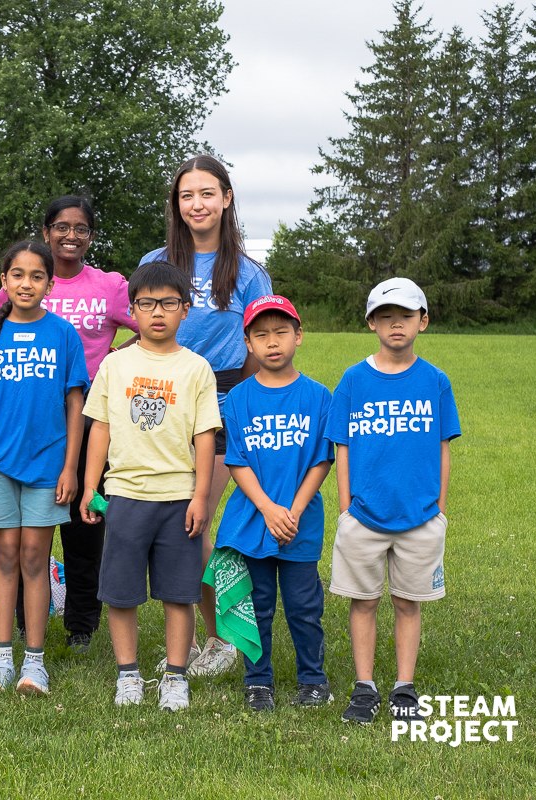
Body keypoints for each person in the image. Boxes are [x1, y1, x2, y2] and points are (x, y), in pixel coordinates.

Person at [139, 154, 273, 678]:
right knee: (173, 524)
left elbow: (264, 347)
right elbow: (144, 331)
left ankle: (221, 640)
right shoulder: (157, 259)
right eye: (186, 195)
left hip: (221, 406)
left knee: (193, 524)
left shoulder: (247, 272)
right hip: (158, 403)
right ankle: (190, 638)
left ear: (226, 199)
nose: (197, 204)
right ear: (177, 203)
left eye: (207, 193)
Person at [0, 196, 137, 653]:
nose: (70, 235)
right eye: (61, 227)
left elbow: (152, 322)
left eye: (81, 228)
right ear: (47, 231)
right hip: (29, 416)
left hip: (89, 416)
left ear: (91, 236)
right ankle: (19, 621)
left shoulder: (109, 284)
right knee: (23, 533)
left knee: (83, 524)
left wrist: (119, 356)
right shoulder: (28, 275)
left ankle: (81, 624)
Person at [80, 260, 221, 711]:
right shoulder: (115, 365)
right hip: (125, 495)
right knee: (121, 592)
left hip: (178, 498)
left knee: (179, 592)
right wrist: (89, 487)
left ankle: (176, 676)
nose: (157, 312)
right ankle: (129, 674)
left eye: (168, 303)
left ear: (186, 309)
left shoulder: (197, 368)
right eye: (146, 303)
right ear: (133, 310)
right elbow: (98, 428)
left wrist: (200, 495)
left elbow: (205, 437)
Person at [0, 240, 88, 694]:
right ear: (4, 281)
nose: (26, 283)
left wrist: (71, 466)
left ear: (50, 284)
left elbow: (75, 402)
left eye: (36, 276)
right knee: (5, 555)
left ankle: (35, 662)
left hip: (49, 467)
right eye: (18, 275)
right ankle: (1, 659)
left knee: (35, 557)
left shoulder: (63, 334)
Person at [328, 278, 460, 725]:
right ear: (371, 324)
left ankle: (405, 686)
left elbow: (443, 444)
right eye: (386, 316)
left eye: (405, 316)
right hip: (363, 515)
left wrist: (439, 506)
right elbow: (341, 445)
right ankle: (364, 687)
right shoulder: (353, 379)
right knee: (363, 602)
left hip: (420, 516)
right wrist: (346, 506)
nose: (396, 324)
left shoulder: (435, 381)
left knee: (408, 602)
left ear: (423, 321)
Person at [216, 295, 334, 712]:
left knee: (305, 606)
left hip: (301, 520)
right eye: (261, 334)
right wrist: (267, 508)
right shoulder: (240, 399)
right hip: (255, 519)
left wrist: (295, 510)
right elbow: (237, 462)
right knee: (259, 605)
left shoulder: (319, 396)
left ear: (298, 336)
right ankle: (258, 681)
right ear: (248, 342)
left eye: (281, 332)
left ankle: (313, 680)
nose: (272, 342)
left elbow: (322, 459)